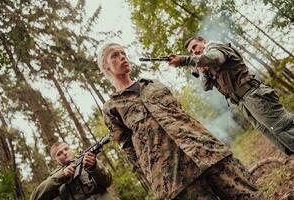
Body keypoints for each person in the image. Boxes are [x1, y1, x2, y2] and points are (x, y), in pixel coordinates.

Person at [98, 42, 263, 200]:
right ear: (105, 67)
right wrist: (155, 175)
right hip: (174, 178)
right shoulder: (111, 108)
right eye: (115, 55)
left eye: (123, 53)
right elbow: (129, 150)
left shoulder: (153, 85)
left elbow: (181, 114)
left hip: (207, 152)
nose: (122, 57)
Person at [169, 36, 294, 156]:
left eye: (195, 46)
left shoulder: (215, 47)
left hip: (254, 95)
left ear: (203, 41)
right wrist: (204, 71)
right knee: (275, 134)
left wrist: (183, 60)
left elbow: (216, 58)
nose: (194, 51)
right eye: (191, 51)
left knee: (283, 127)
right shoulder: (206, 62)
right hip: (244, 102)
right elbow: (206, 87)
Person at [30, 141, 116, 200]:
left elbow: (108, 182)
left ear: (70, 149)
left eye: (66, 149)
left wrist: (94, 167)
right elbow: (34, 197)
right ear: (56, 161)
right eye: (59, 153)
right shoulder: (55, 177)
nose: (64, 153)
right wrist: (62, 175)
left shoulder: (88, 159)